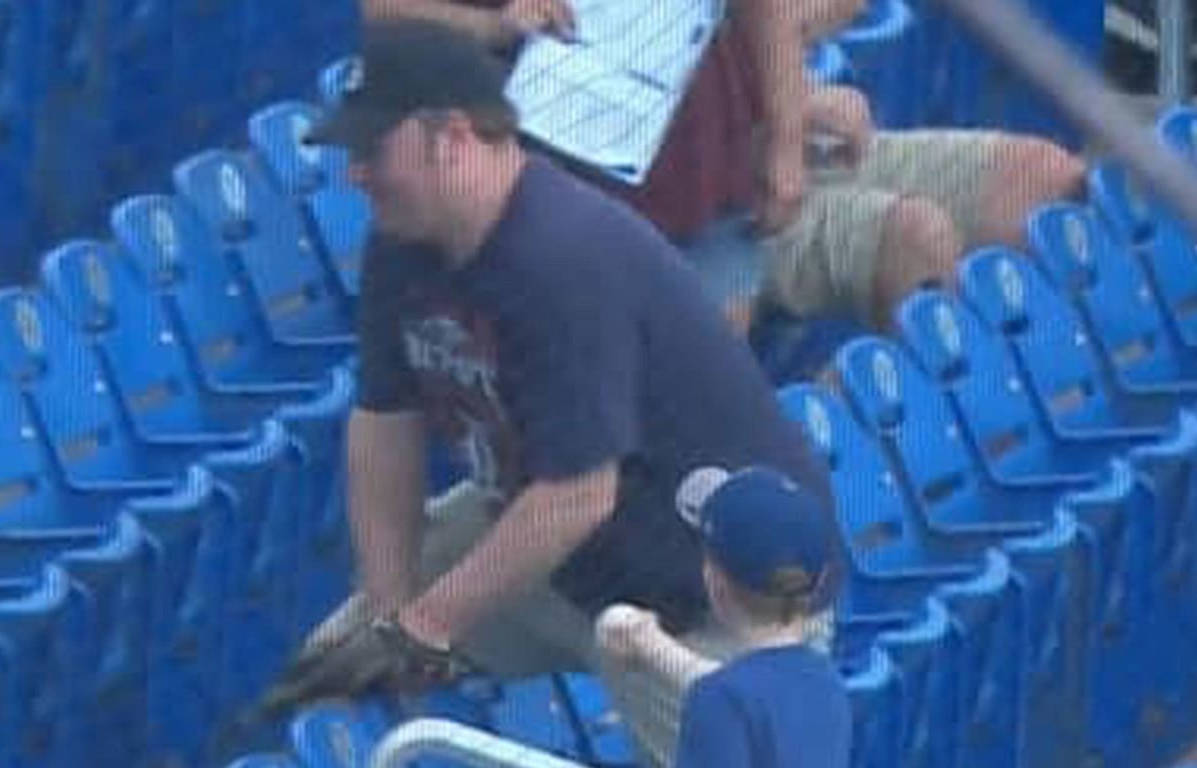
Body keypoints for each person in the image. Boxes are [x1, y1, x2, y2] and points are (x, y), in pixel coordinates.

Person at [255, 16, 838, 730]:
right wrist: (388, 607)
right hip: (553, 553)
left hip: (711, 603)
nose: (356, 172)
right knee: (329, 686)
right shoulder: (403, 240)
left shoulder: (560, 255)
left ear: (452, 138)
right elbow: (383, 421)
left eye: (374, 148)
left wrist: (425, 625)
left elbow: (577, 496)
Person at [360, 0, 1086, 336]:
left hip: (751, 154)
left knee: (1042, 179)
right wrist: (496, 22)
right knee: (916, 240)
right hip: (639, 213)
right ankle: (845, 536)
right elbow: (378, 10)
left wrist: (790, 112)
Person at [596, 465, 849, 768]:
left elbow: (736, 696)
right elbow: (758, 693)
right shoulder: (824, 678)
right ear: (820, 580)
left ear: (714, 585)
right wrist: (650, 644)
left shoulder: (716, 702)